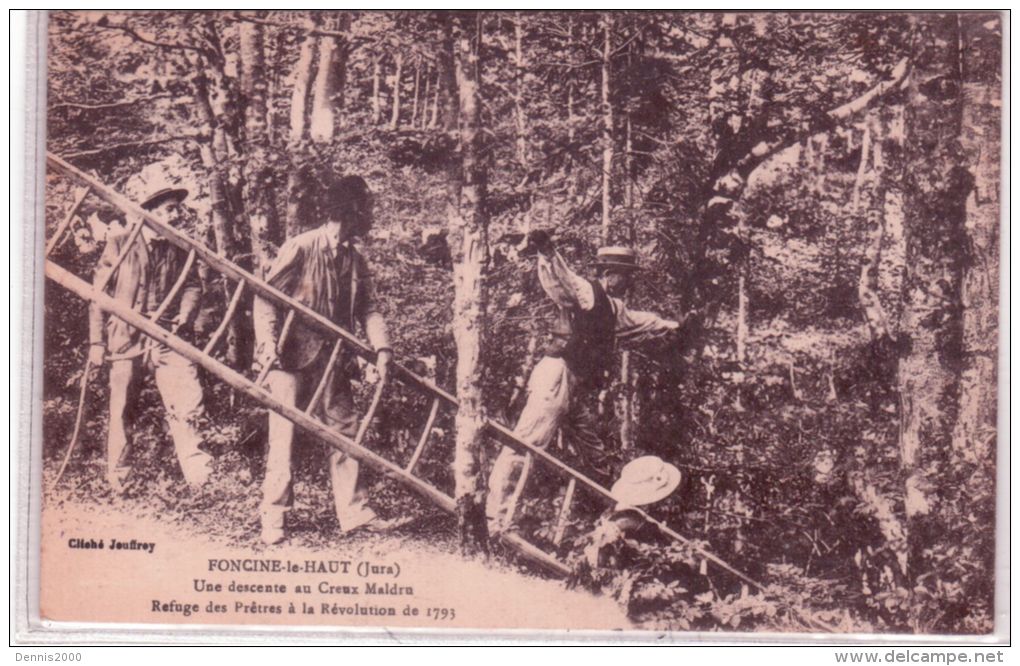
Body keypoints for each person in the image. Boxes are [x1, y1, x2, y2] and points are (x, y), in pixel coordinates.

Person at [486, 230, 682, 533]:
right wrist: (547, 252)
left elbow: (640, 321)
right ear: (609, 274)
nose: (629, 282)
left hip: (578, 385)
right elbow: (561, 280)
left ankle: (609, 523)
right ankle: (494, 519)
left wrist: (673, 327)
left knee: (595, 453)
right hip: (556, 374)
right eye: (625, 275)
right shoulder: (587, 292)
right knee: (527, 443)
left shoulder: (614, 308)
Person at [252, 173, 393, 545]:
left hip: (332, 358)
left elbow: (369, 309)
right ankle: (274, 514)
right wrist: (266, 344)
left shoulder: (355, 258)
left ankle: (355, 512)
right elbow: (265, 296)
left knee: (345, 430)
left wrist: (382, 350)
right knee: (283, 435)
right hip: (289, 356)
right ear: (347, 213)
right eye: (362, 211)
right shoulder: (300, 247)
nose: (366, 218)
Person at [88, 184, 212, 491]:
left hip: (168, 335)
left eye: (177, 209)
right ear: (151, 213)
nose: (176, 215)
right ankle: (120, 479)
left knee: (188, 400)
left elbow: (193, 286)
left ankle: (200, 481)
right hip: (126, 337)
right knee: (122, 407)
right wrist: (97, 342)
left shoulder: (181, 248)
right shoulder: (119, 243)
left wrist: (186, 313)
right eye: (170, 209)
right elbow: (98, 295)